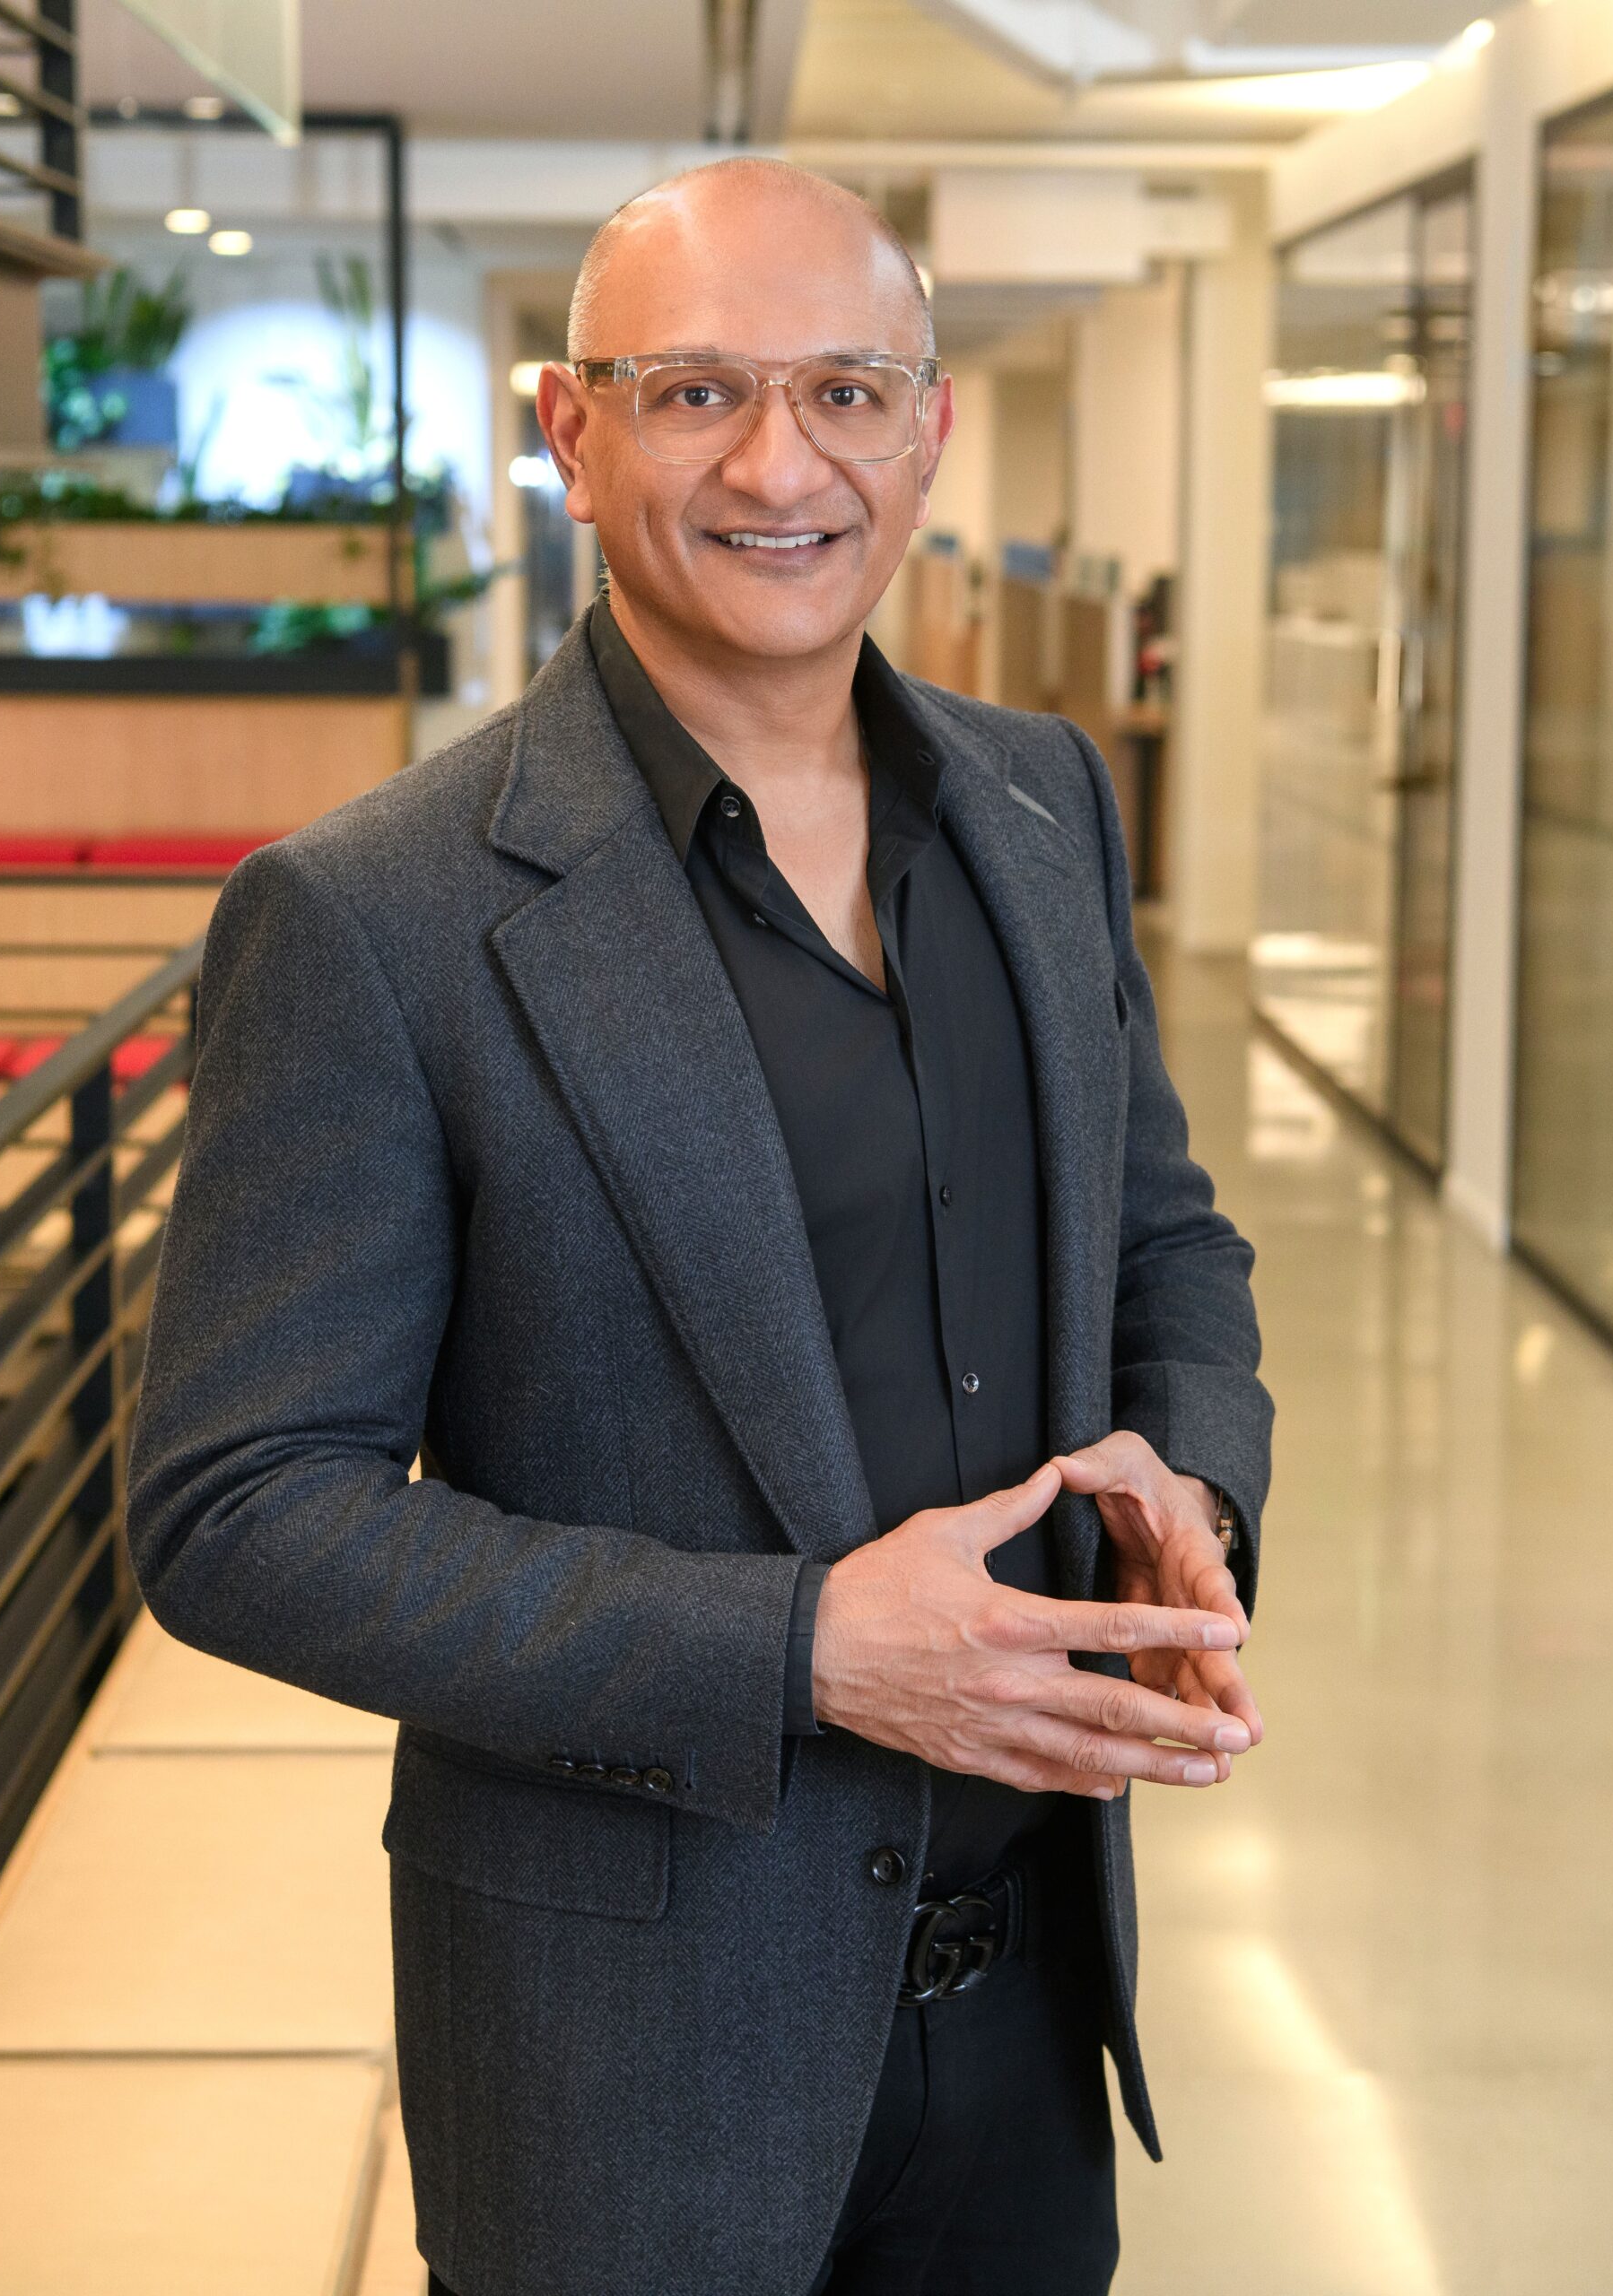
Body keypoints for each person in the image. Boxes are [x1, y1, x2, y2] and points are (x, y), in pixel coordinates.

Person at [125, 156, 1272, 2296]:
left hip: (1029, 2013)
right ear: (571, 433)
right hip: (632, 2071)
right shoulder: (375, 914)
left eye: (845, 389)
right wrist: (800, 1645)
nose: (778, 465)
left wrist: (1187, 1486)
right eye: (694, 393)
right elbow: (239, 1508)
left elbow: (1166, 1243)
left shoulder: (1041, 806)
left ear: (927, 428)